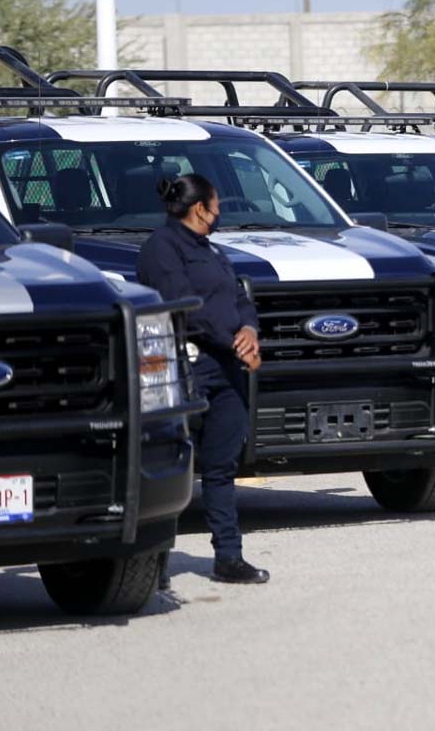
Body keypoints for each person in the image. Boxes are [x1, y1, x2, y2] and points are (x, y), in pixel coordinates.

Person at [137, 174, 270, 584]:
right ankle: (151, 561)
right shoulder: (162, 249)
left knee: (220, 467)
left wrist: (249, 332)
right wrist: (232, 339)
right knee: (164, 466)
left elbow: (240, 297)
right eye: (217, 205)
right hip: (184, 366)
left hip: (226, 367)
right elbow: (184, 307)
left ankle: (228, 557)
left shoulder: (211, 250)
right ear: (200, 209)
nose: (220, 212)